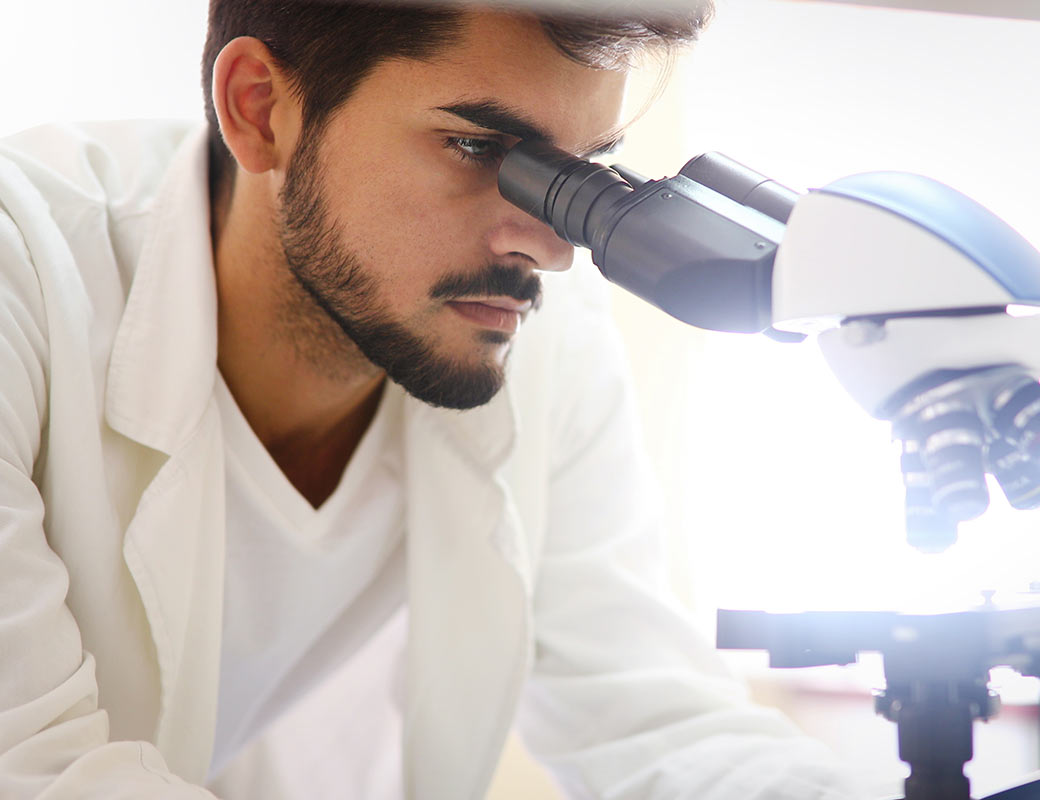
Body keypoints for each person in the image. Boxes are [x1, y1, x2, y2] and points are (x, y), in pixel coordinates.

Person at [0, 2, 866, 797]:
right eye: (480, 149)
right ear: (260, 108)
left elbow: (656, 723)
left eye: (582, 173)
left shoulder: (540, 336)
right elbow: (35, 771)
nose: (550, 250)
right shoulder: (24, 276)